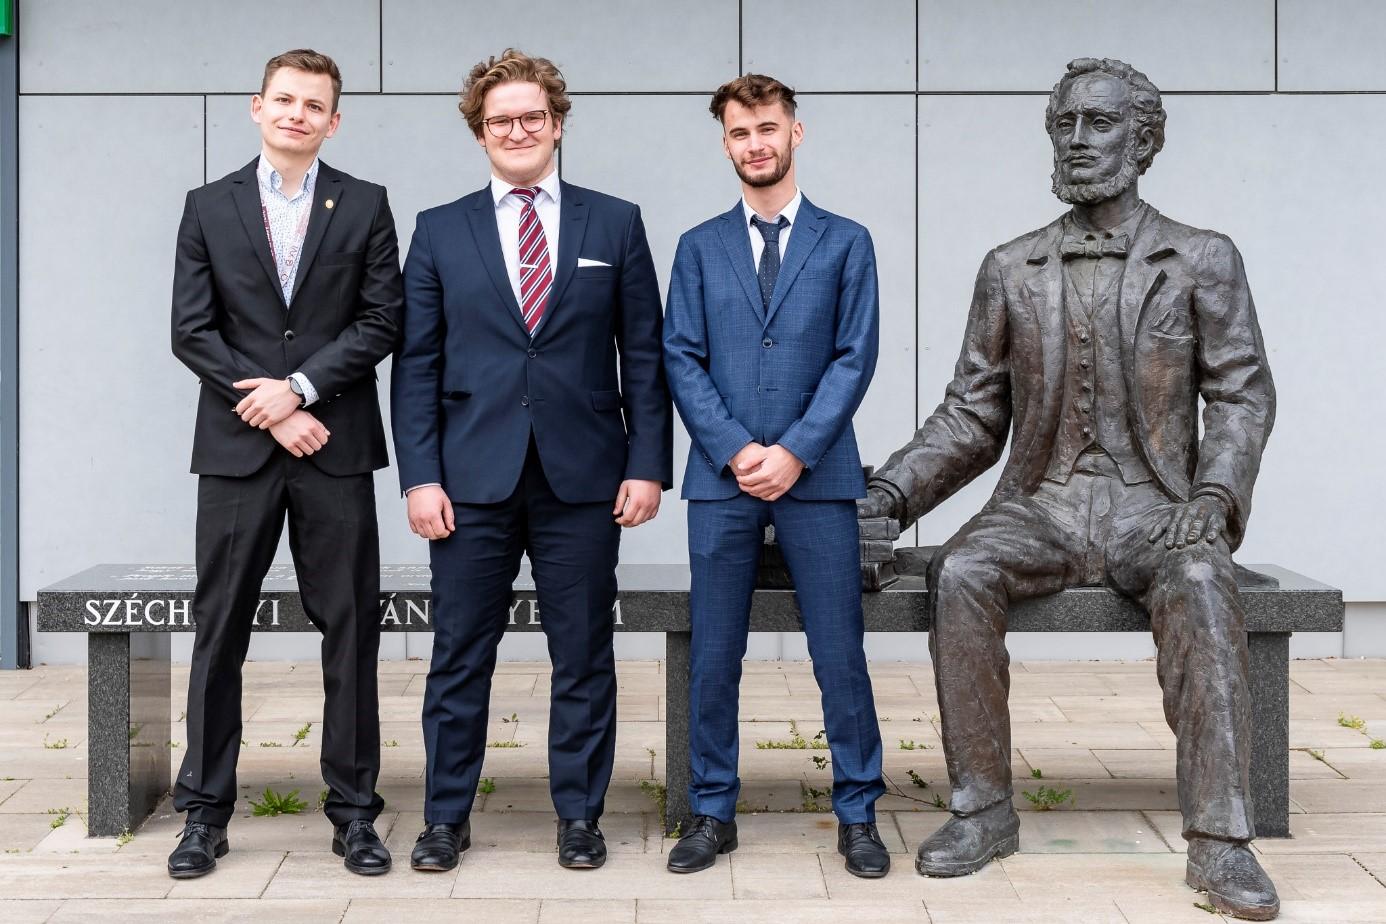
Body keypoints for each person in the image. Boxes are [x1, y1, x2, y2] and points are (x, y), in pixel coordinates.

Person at [859, 58, 1279, 920]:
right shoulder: (1011, 267)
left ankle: (1221, 842)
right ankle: (982, 810)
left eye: (1100, 124)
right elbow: (973, 416)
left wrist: (1214, 497)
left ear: (1144, 139)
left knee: (1201, 579)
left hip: (1156, 507)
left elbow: (1240, 392)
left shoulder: (1202, 258)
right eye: (1065, 125)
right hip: (1041, 503)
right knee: (964, 571)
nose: (1078, 142)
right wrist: (892, 494)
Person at [391, 48, 672, 873]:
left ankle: (580, 818)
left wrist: (648, 464)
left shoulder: (613, 222)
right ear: (479, 133)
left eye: (532, 117)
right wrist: (419, 476)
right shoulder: (440, 229)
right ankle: (445, 817)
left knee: (582, 653)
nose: (517, 130)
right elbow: (417, 364)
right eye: (500, 120)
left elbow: (644, 358)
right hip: (468, 482)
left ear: (557, 123)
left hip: (585, 479)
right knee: (458, 656)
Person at [168, 48, 401, 878]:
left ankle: (354, 813)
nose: (298, 114)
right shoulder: (208, 206)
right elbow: (191, 331)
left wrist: (300, 391)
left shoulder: (366, 204)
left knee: (350, 630)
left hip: (334, 446)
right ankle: (203, 813)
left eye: (315, 105)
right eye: (285, 100)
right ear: (257, 107)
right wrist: (266, 409)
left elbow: (382, 321)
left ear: (333, 121)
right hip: (237, 452)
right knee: (218, 631)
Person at [662, 73, 889, 878]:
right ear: (724, 143)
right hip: (721, 482)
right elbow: (680, 357)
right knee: (714, 654)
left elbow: (853, 357)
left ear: (797, 131)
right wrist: (733, 449)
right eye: (738, 133)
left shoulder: (846, 241)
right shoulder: (697, 246)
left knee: (839, 654)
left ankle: (858, 812)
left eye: (766, 128)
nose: (754, 144)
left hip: (818, 478)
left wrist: (793, 450)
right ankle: (710, 811)